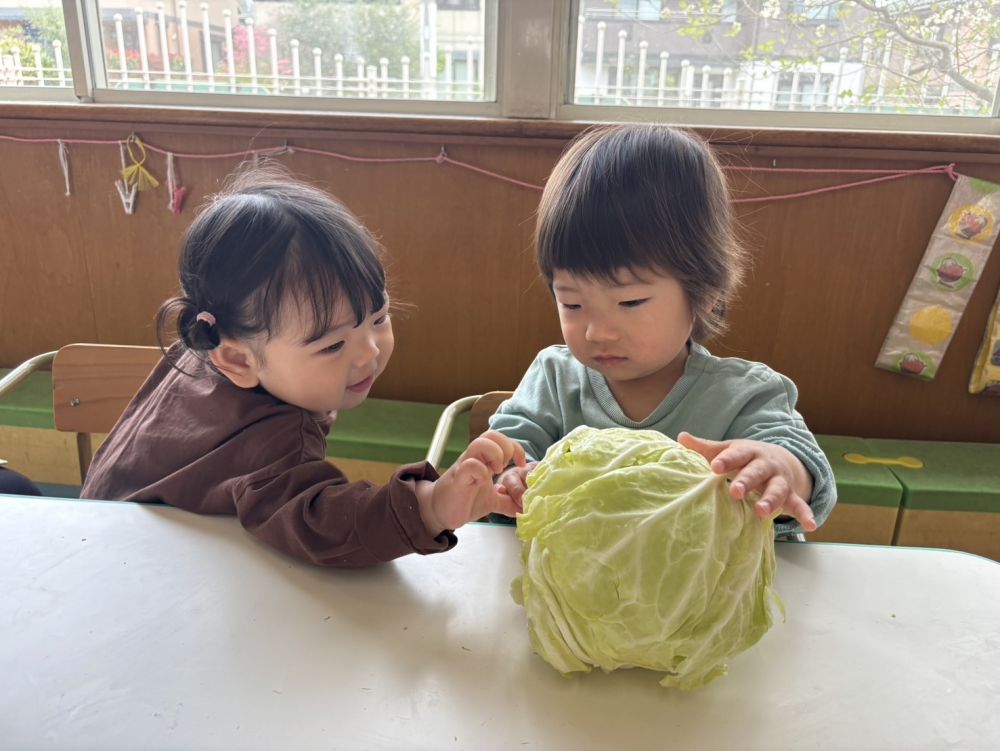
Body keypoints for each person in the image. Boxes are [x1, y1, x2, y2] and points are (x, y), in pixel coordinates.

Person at [82, 166, 524, 566]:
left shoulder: (209, 344)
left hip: (93, 531)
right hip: (136, 571)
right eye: (333, 345)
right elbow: (322, 525)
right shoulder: (278, 437)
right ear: (237, 359)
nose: (369, 352)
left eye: (379, 317)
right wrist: (431, 506)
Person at [490, 124, 835, 537]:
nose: (597, 332)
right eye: (572, 303)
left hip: (707, 578)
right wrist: (508, 477)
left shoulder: (745, 395)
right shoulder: (554, 377)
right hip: (572, 574)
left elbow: (805, 472)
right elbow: (506, 450)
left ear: (704, 293)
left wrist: (781, 468)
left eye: (630, 302)